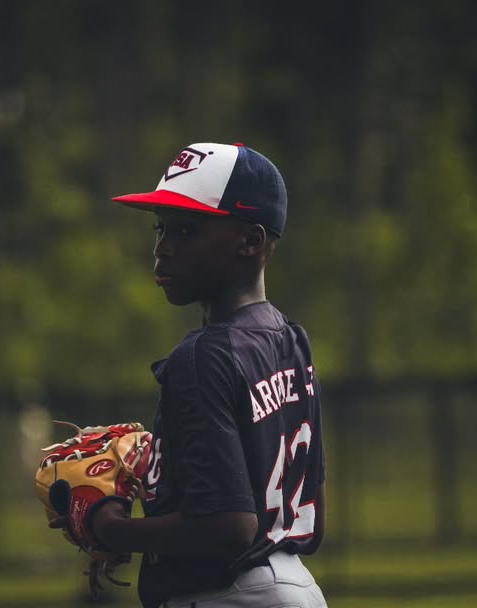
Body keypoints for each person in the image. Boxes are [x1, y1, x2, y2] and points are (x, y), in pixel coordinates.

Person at [91, 142, 328, 607]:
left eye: (187, 230)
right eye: (161, 228)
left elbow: (229, 528)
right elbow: (312, 525)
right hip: (296, 586)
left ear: (251, 242)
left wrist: (111, 529)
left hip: (230, 596)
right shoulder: (291, 341)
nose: (163, 248)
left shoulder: (202, 356)